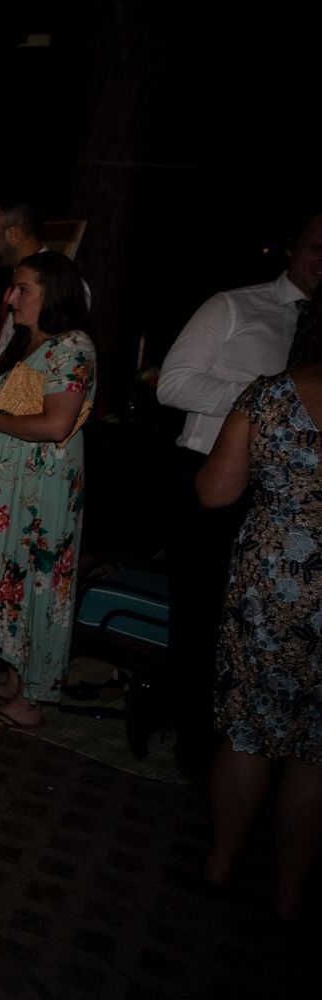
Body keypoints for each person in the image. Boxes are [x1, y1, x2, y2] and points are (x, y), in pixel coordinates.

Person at [157, 210, 322, 777]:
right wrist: (266, 400)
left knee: (262, 632)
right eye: (316, 246)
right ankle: (194, 744)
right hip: (207, 478)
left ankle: (263, 744)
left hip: (288, 503)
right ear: (292, 248)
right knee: (201, 614)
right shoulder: (234, 306)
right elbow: (172, 384)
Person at [195, 290, 322, 920]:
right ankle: (290, 891)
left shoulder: (271, 396)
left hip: (275, 587)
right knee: (314, 749)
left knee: (249, 730)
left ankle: (220, 863)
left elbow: (216, 492)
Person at [0, 252, 97, 729]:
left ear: (55, 293)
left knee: (34, 581)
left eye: (24, 288)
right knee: (11, 579)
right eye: (13, 287)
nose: (12, 298)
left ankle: (31, 699)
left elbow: (55, 425)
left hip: (41, 488)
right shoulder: (31, 345)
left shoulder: (73, 346)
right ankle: (15, 679)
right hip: (10, 485)